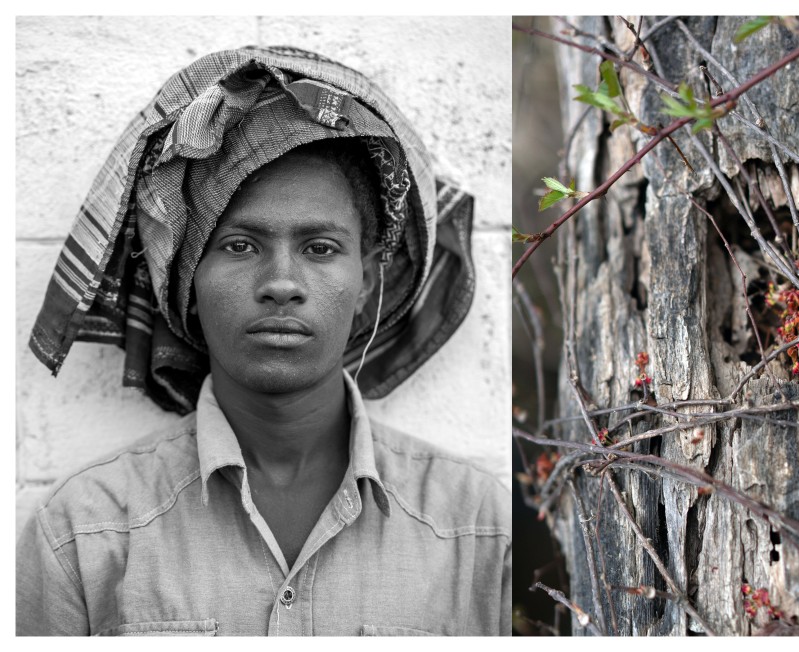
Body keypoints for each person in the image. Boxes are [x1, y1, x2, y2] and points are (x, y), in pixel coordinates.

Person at [17, 46, 510, 636]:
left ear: (366, 284)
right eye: (240, 246)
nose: (281, 284)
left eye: (320, 249)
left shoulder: (480, 529)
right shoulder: (84, 531)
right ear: (186, 280)